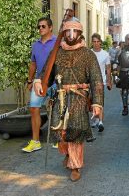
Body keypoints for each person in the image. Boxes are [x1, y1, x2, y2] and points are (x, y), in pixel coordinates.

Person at [33, 17, 104, 182]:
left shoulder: (88, 55)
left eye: (74, 31)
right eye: (68, 31)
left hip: (79, 99)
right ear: (64, 33)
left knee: (76, 132)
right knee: (60, 132)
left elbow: (96, 80)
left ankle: (75, 165)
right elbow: (46, 73)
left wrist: (97, 103)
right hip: (61, 97)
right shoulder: (56, 52)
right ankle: (67, 154)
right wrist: (39, 82)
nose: (71, 35)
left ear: (79, 33)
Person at [22, 17, 56, 153]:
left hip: (55, 82)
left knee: (58, 109)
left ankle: (59, 140)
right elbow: (33, 64)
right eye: (39, 27)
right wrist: (30, 80)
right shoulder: (35, 44)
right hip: (39, 83)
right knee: (34, 108)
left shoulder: (58, 42)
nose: (40, 29)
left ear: (50, 27)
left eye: (43, 26)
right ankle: (35, 141)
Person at [91, 33, 112, 132]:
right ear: (92, 43)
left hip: (101, 81)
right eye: (94, 42)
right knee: (91, 101)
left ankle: (100, 121)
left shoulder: (105, 54)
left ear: (100, 42)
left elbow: (108, 69)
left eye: (97, 41)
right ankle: (95, 119)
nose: (96, 43)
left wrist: (109, 81)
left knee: (100, 101)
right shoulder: (89, 53)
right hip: (90, 81)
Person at [115, 33, 129, 116]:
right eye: (128, 39)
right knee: (124, 92)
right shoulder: (121, 51)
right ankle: (125, 108)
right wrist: (116, 75)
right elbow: (117, 63)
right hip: (123, 73)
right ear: (126, 40)